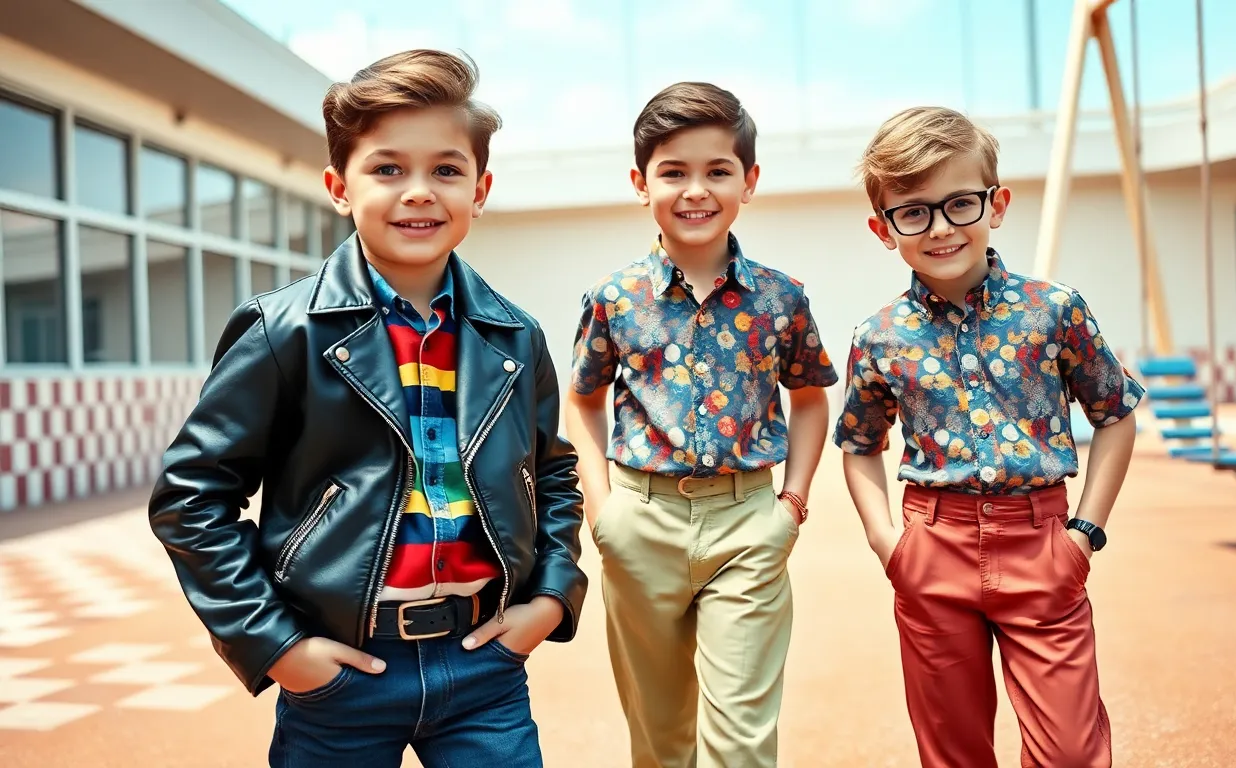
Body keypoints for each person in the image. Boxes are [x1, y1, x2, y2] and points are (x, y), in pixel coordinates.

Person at [147, 49, 586, 767]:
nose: (419, 191)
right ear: (338, 187)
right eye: (388, 169)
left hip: (485, 670)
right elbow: (192, 499)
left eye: (446, 170)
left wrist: (552, 600)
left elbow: (553, 475)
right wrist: (277, 647)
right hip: (340, 675)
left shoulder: (515, 334)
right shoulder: (284, 331)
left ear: (480, 190)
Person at [834, 105, 1143, 768]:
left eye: (960, 204)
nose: (941, 228)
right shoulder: (878, 336)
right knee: (954, 754)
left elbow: (1114, 412)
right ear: (883, 228)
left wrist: (1085, 534)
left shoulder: (1054, 309)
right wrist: (889, 544)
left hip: (1044, 546)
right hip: (930, 549)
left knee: (1071, 753)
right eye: (913, 211)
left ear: (996, 204)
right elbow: (860, 444)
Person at [565, 81, 838, 767]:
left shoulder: (782, 297)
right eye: (674, 172)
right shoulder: (615, 298)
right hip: (640, 522)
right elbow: (582, 398)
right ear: (640, 182)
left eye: (717, 171)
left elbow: (809, 397)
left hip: (750, 521)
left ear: (748, 181)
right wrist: (605, 513)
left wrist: (792, 505)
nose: (696, 190)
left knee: (742, 741)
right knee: (660, 740)